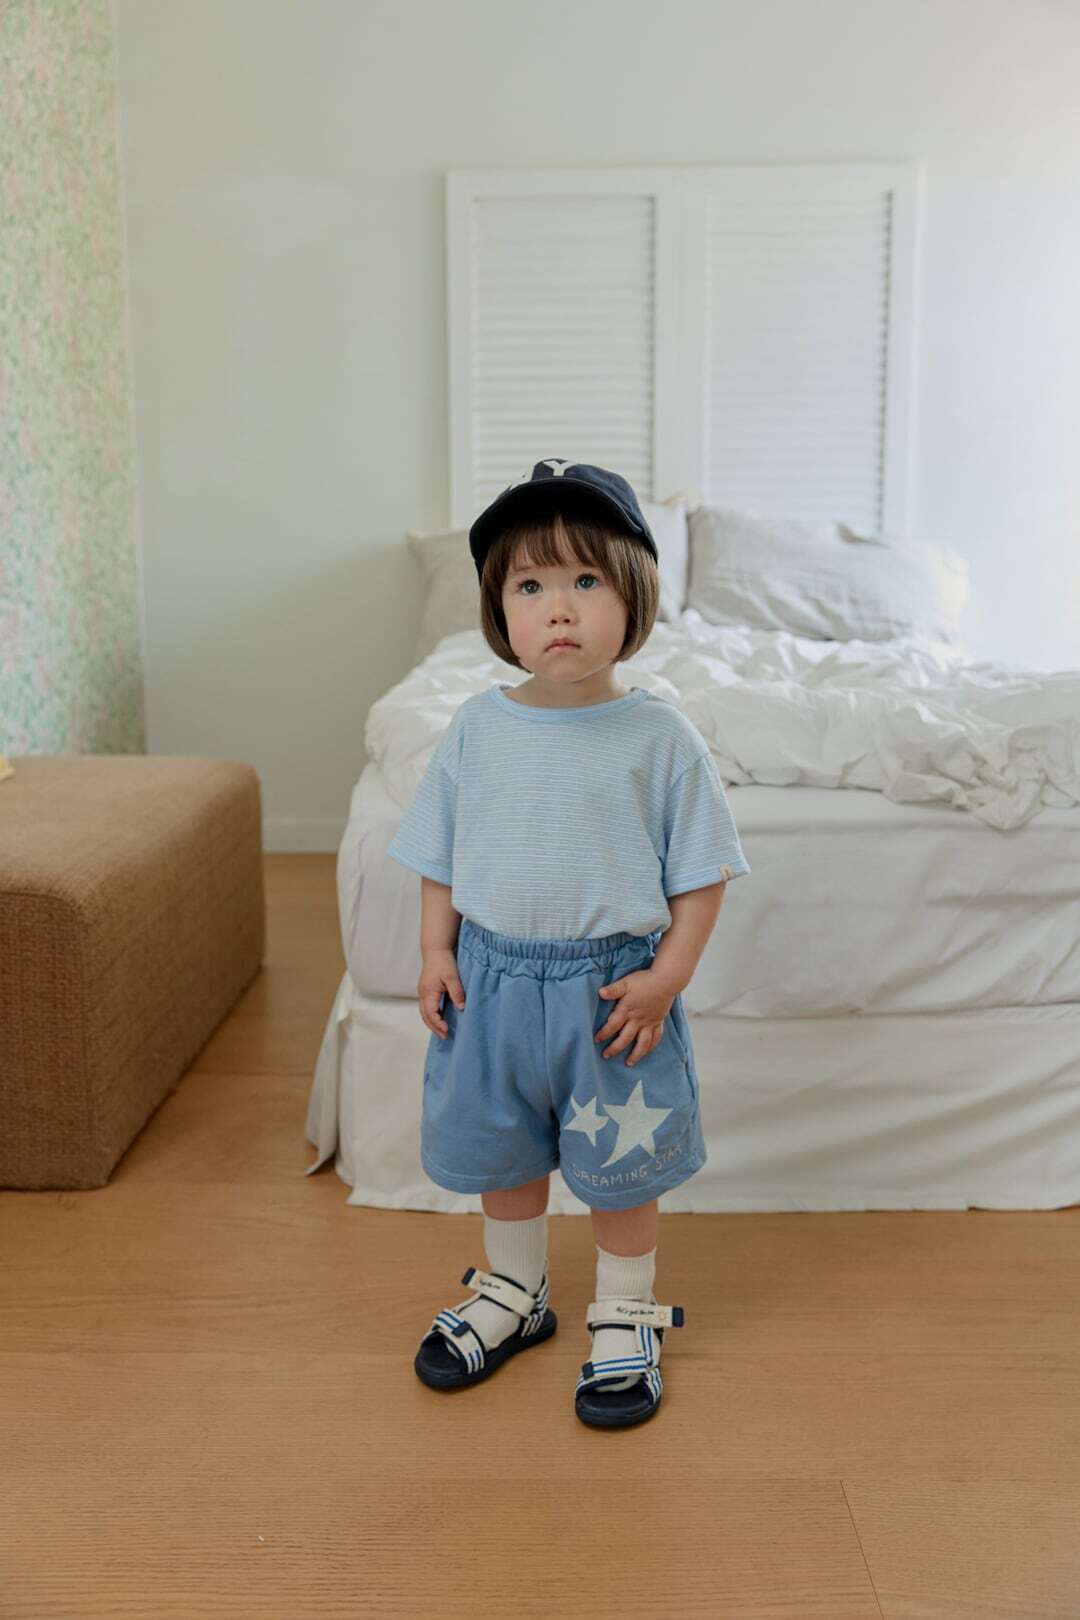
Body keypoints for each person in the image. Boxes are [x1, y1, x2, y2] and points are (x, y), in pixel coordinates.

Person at [387, 458, 751, 1429]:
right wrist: (435, 952)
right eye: (530, 585)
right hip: (492, 984)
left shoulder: (659, 737)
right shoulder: (476, 728)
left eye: (586, 580)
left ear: (634, 598)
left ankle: (626, 1308)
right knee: (504, 1151)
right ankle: (516, 1291)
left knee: (620, 1166)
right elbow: (438, 857)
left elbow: (702, 876)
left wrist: (666, 980)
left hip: (612, 995)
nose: (559, 608)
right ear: (498, 611)